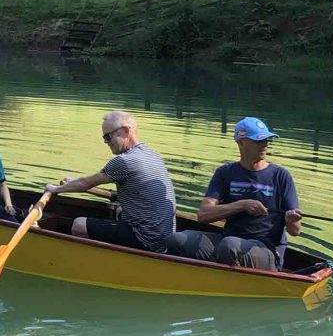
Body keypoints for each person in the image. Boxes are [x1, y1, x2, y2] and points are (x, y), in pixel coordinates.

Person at [167, 116, 302, 271]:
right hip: (228, 242)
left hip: (267, 250)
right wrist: (241, 205)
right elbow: (204, 215)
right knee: (176, 239)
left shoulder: (281, 176)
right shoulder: (225, 173)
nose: (264, 145)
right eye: (258, 141)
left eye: (267, 140)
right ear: (241, 142)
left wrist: (291, 220)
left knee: (229, 245)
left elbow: (295, 231)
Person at [44, 110, 176, 253]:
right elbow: (88, 181)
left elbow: (86, 184)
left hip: (146, 240)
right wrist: (73, 182)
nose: (105, 141)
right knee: (118, 211)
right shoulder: (151, 154)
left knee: (78, 225)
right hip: (164, 238)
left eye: (108, 136)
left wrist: (55, 190)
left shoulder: (124, 161)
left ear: (125, 131)